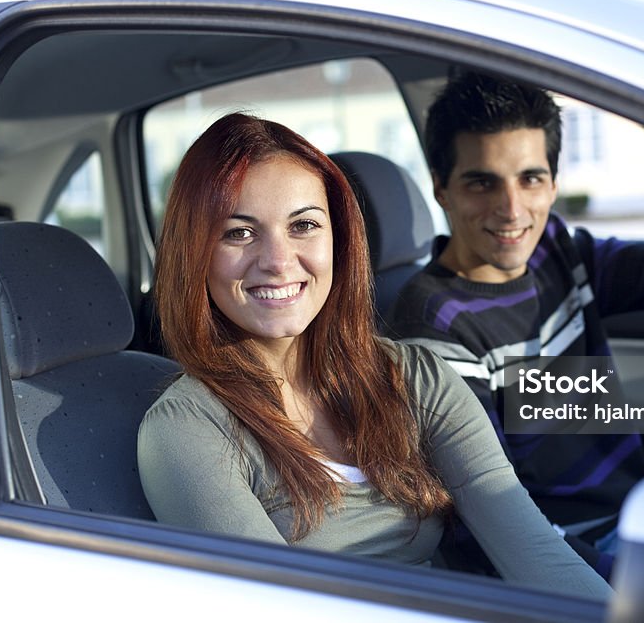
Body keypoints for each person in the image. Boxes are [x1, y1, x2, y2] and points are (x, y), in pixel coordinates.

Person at [136, 112, 612, 600]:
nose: (278, 261)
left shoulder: (417, 377)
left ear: (339, 241)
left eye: (303, 225)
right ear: (193, 251)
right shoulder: (187, 429)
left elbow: (535, 553)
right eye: (239, 232)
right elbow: (279, 610)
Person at [385, 72, 644, 578]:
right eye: (482, 182)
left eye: (530, 178)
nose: (511, 209)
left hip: (639, 513)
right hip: (570, 554)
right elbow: (493, 516)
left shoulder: (555, 253)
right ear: (441, 189)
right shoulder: (431, 326)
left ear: (553, 183)